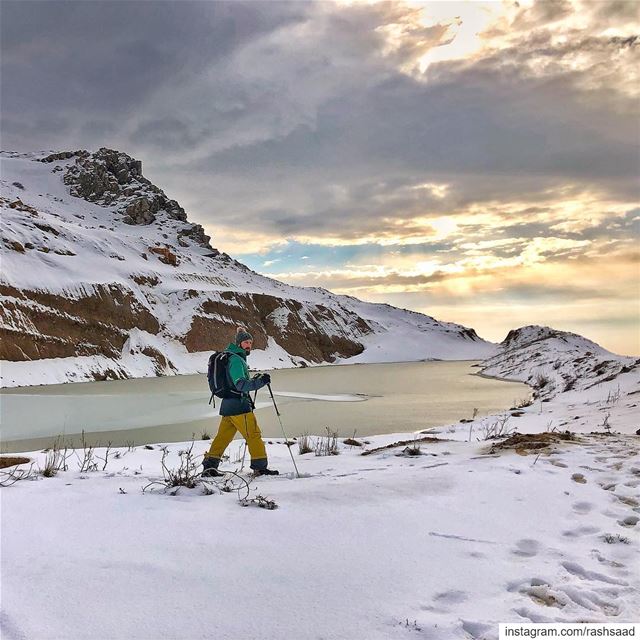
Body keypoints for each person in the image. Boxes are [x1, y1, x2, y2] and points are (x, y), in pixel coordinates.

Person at [202, 326, 278, 477]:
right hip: (239, 406)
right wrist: (260, 382)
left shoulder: (231, 357)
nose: (249, 345)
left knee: (222, 438)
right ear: (239, 344)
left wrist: (255, 380)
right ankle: (260, 468)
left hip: (228, 406)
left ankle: (209, 468)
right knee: (254, 435)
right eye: (245, 342)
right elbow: (240, 384)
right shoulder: (236, 360)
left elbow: (236, 382)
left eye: (250, 342)